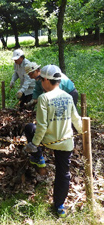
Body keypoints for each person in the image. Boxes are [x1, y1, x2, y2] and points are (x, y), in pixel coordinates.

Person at [23, 64, 82, 218]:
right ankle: (60, 206)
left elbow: (41, 127)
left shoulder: (44, 98)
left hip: (48, 141)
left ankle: (39, 157)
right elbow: (76, 120)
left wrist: (34, 145)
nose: (40, 82)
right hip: (66, 142)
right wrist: (84, 132)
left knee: (30, 128)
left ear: (47, 81)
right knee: (63, 173)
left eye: (41, 79)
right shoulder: (68, 97)